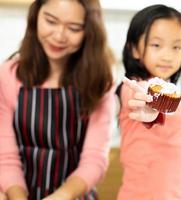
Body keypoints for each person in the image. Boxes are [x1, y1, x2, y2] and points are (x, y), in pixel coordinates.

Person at [0, 0, 115, 199]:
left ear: (90, 31)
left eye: (74, 28)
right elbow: (6, 157)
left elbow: (94, 159)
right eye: (51, 21)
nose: (59, 36)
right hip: (16, 192)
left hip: (73, 195)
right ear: (36, 16)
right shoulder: (8, 75)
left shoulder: (100, 82)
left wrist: (61, 196)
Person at [117, 4, 181, 200]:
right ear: (134, 49)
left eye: (176, 47)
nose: (167, 55)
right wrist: (152, 109)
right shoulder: (132, 89)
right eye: (156, 45)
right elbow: (145, 99)